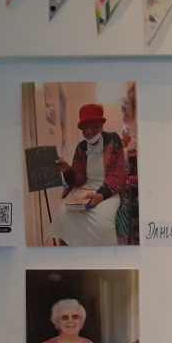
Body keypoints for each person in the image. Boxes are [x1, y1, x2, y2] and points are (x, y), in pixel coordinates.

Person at [48, 103, 127, 246]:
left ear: (101, 125)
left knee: (102, 221)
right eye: (85, 127)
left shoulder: (113, 140)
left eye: (94, 126)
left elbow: (118, 173)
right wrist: (68, 170)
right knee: (64, 214)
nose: (89, 131)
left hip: (108, 190)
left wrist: (101, 195)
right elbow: (78, 179)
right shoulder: (81, 147)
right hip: (84, 188)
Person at [115, 83, 139, 245]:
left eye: (127, 103)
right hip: (129, 190)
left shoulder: (141, 129)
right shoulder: (130, 128)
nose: (123, 107)